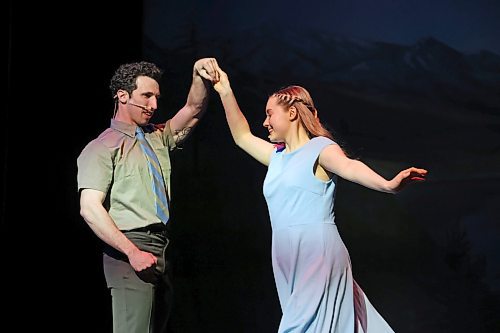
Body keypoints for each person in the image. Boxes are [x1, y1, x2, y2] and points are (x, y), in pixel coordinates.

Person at [213, 66, 427, 332]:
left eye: (270, 114)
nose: (265, 122)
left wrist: (388, 185)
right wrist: (225, 90)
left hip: (316, 251)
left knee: (299, 328)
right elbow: (242, 136)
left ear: (291, 113)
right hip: (285, 255)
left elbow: (349, 167)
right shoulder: (277, 157)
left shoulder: (320, 149)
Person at [77, 58, 219, 333]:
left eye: (156, 97)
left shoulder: (157, 137)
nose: (153, 105)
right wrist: (132, 252)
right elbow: (90, 208)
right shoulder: (102, 147)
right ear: (123, 96)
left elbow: (193, 108)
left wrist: (198, 75)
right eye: (146, 96)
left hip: (162, 245)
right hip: (128, 246)